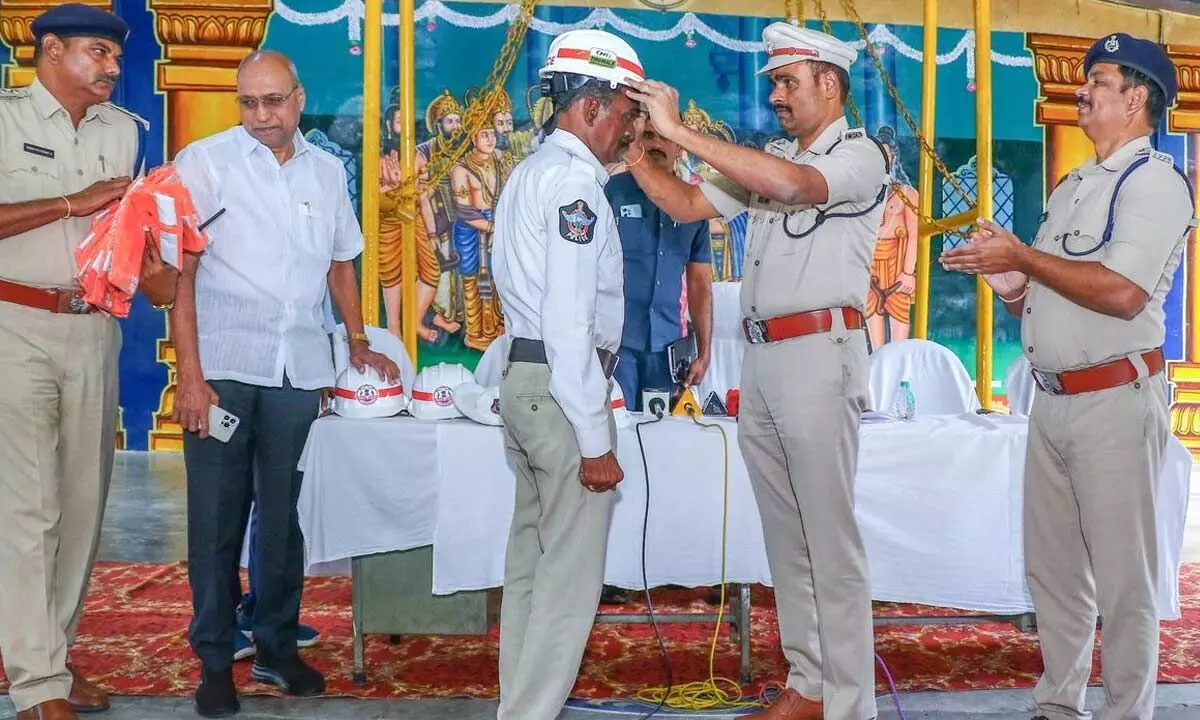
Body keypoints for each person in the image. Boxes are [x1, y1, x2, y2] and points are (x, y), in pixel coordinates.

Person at [625, 22, 889, 720]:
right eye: (772, 81)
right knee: (787, 541)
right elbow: (686, 204)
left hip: (820, 358)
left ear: (829, 85)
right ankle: (808, 687)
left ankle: (851, 705)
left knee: (829, 542)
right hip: (765, 361)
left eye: (787, 81)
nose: (774, 93)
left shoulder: (860, 156)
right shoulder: (767, 158)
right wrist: (638, 153)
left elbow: (799, 186)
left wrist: (679, 133)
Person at [941, 33, 1193, 720]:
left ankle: (1126, 713)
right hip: (1049, 404)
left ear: (1137, 98)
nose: (1082, 90)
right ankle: (1059, 705)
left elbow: (1120, 293)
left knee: (1123, 583)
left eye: (1099, 81)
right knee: (1052, 577)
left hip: (1113, 403)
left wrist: (1023, 252)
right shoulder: (1074, 185)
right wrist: (1004, 272)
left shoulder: (1156, 184)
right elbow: (1040, 294)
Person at [170, 50, 399, 718]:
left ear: (299, 99)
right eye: (249, 103)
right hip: (223, 370)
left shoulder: (328, 172)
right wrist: (190, 376)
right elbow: (178, 277)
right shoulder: (205, 164)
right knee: (216, 520)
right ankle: (215, 660)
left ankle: (275, 645)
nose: (262, 117)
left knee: (284, 520)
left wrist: (356, 342)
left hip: (298, 372)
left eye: (274, 102)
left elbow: (341, 267)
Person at [0, 5, 179, 719]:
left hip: (95, 328)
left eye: (114, 57)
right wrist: (75, 202)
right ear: (50, 51)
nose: (110, 69)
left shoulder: (121, 133)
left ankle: (51, 655)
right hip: (15, 323)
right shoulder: (6, 119)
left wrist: (163, 260)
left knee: (80, 507)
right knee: (29, 508)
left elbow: (127, 234)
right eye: (97, 54)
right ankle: (39, 685)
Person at [490, 28, 645, 720]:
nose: (630, 130)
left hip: (527, 383)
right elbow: (569, 319)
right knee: (566, 581)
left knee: (530, 567)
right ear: (589, 107)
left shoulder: (529, 172)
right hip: (561, 390)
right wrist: (594, 437)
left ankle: (516, 708)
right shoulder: (576, 184)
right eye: (626, 114)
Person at [606, 124, 713, 410]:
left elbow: (699, 285)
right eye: (649, 136)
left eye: (666, 137)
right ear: (636, 141)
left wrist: (704, 352)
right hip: (617, 344)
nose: (657, 144)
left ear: (680, 146)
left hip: (668, 349)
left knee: (664, 439)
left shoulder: (694, 203)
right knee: (615, 433)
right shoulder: (611, 192)